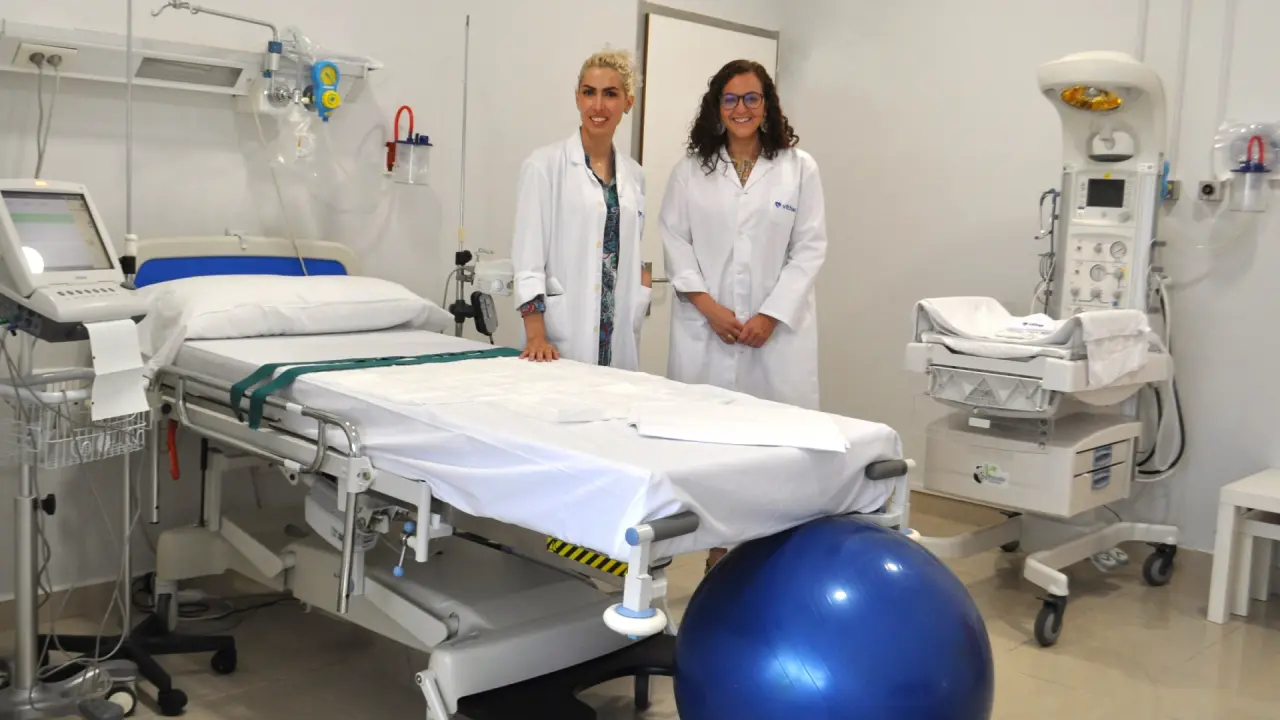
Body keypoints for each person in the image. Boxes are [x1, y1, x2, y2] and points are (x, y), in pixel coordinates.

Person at [659, 59, 828, 571]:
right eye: (730, 99)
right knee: (710, 449)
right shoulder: (690, 171)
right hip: (708, 331)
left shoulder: (799, 168)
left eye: (751, 98)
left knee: (776, 450)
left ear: (767, 105)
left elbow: (810, 249)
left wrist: (770, 316)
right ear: (717, 107)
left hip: (775, 338)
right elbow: (675, 242)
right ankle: (716, 552)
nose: (741, 108)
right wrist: (710, 309)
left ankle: (773, 559)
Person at [511, 49, 652, 369]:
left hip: (617, 333)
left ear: (628, 102)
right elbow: (528, 260)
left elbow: (630, 252)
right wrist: (536, 337)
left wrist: (642, 289)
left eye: (610, 94)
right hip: (559, 338)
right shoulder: (544, 166)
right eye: (589, 93)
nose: (598, 105)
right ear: (577, 98)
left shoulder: (635, 175)